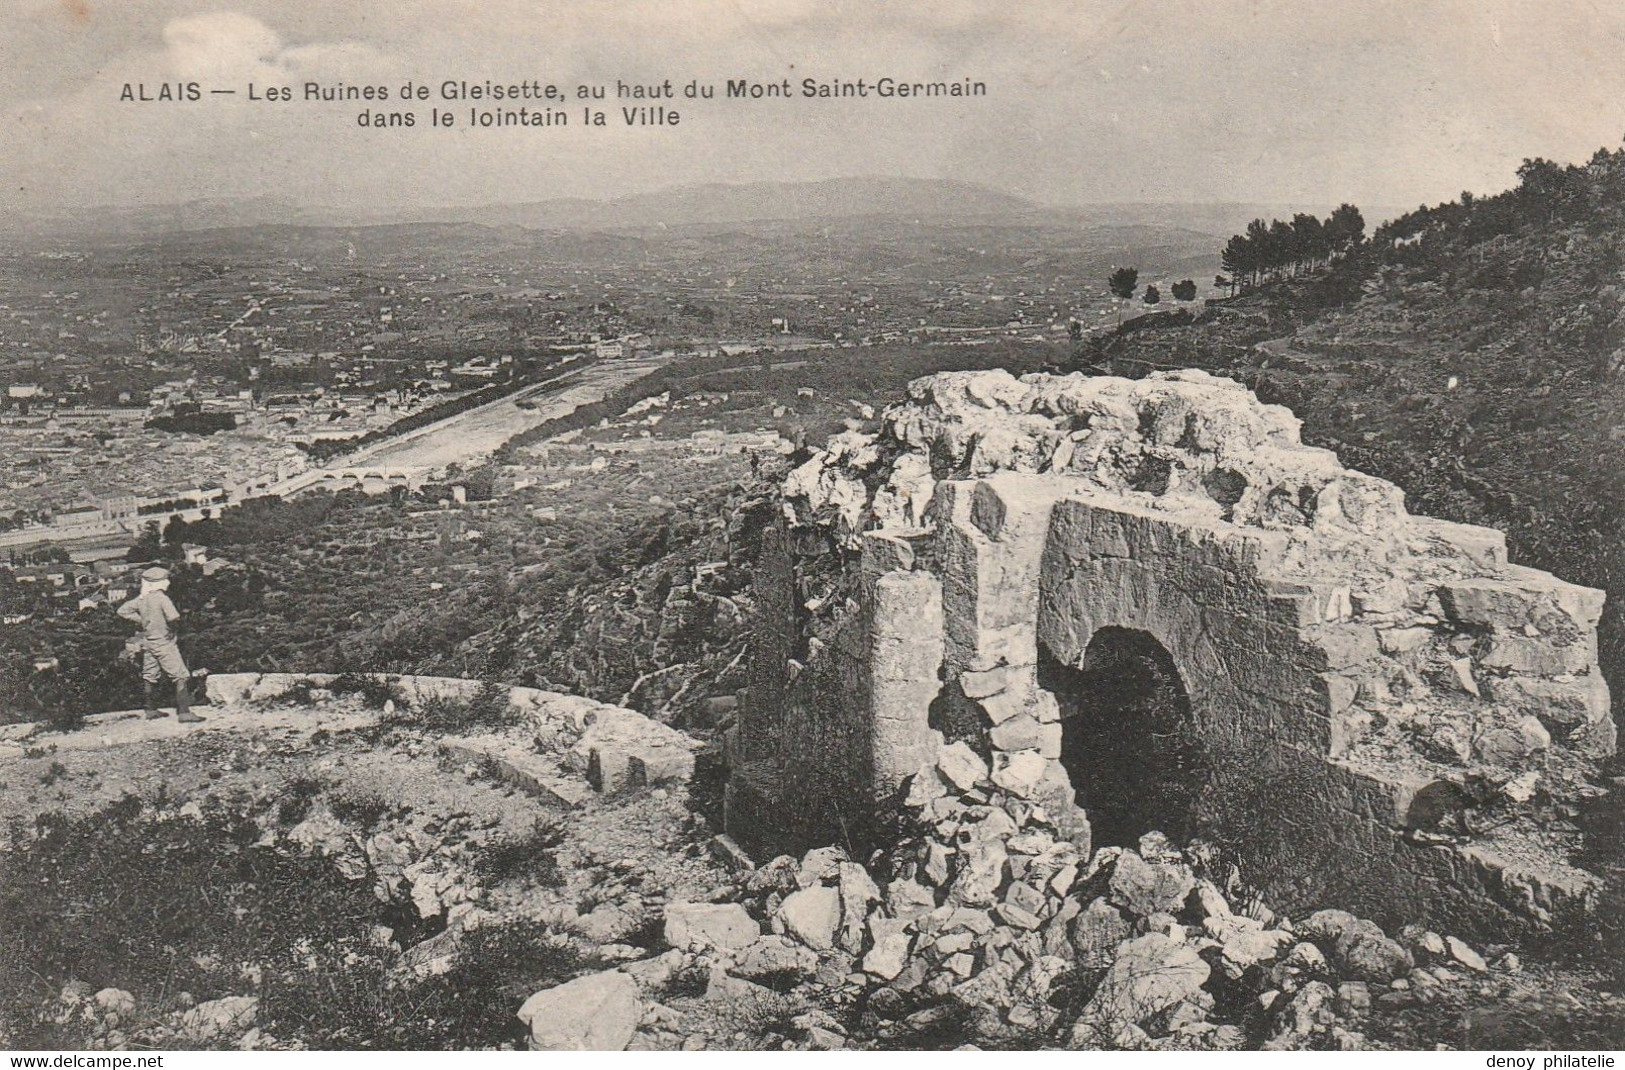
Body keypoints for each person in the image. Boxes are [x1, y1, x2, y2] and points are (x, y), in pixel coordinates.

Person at [117, 566, 203, 723]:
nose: (168, 582)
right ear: (158, 583)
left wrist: (143, 620)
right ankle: (184, 712)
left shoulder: (142, 599)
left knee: (150, 676)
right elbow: (173, 618)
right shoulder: (162, 598)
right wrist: (174, 629)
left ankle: (150, 710)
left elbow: (122, 611)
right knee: (180, 676)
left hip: (149, 642)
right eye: (165, 579)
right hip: (165, 642)